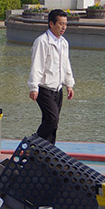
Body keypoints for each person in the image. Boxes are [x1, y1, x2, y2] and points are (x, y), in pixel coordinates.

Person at [27, 9, 75, 144]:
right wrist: (33, 87)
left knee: (54, 123)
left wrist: (69, 84)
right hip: (44, 88)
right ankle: (34, 144)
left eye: (65, 24)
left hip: (58, 88)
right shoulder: (42, 41)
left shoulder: (64, 43)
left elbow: (66, 65)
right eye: (60, 24)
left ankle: (48, 151)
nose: (63, 27)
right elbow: (37, 65)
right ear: (51, 24)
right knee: (52, 119)